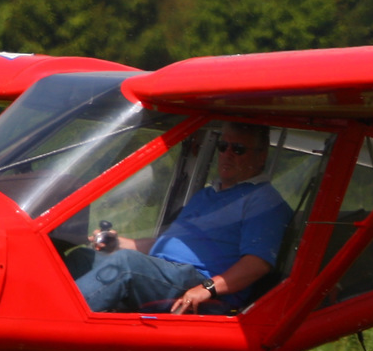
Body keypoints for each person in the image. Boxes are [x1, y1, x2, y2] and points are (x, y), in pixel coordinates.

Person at [75, 122, 291, 314]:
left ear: (261, 156)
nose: (227, 154)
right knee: (83, 258)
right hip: (168, 273)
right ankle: (46, 311)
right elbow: (169, 244)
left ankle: (63, 321)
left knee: (125, 264)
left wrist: (207, 288)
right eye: (223, 147)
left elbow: (258, 264)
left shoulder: (263, 200)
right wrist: (117, 244)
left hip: (199, 284)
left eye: (239, 149)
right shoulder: (207, 194)